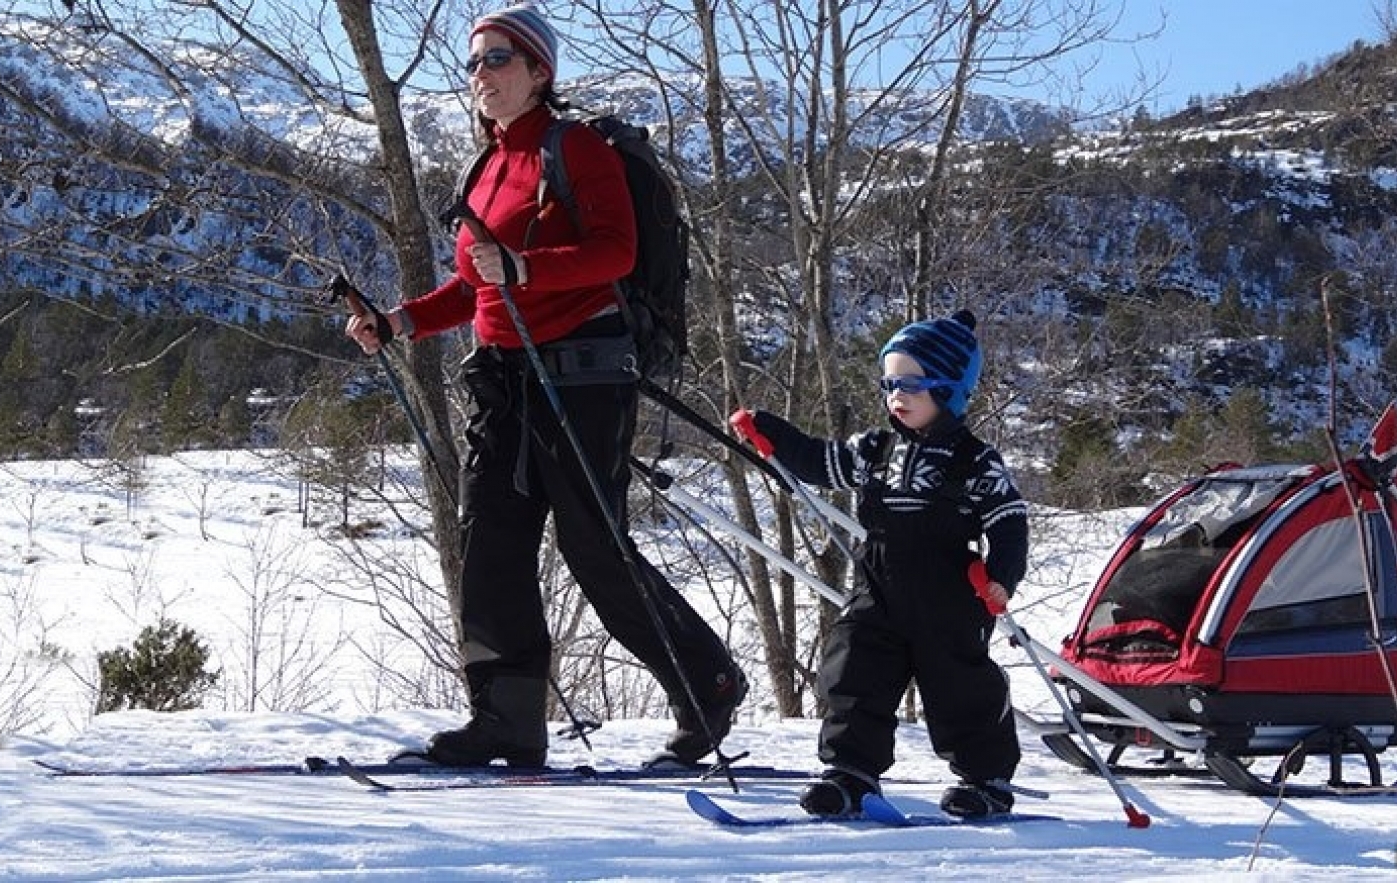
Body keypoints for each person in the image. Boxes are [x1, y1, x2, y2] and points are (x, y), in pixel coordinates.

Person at [344, 3, 746, 770]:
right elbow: (475, 285)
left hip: (583, 374)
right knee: (489, 542)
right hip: (502, 377)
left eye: (498, 59)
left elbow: (616, 253)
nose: (481, 75)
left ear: (539, 71)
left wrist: (525, 267)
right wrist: (396, 321)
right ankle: (505, 717)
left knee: (594, 545)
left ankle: (709, 682)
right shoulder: (484, 166)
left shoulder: (576, 150)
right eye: (474, 62)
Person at [736, 310, 1028, 818]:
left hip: (950, 594)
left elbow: (1008, 520)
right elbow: (817, 460)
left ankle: (985, 778)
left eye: (912, 385)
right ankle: (850, 771)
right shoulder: (874, 449)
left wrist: (1003, 575)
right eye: (889, 383)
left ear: (949, 389)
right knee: (854, 670)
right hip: (878, 584)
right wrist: (772, 436)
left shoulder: (975, 461)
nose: (897, 395)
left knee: (960, 685)